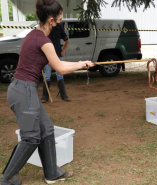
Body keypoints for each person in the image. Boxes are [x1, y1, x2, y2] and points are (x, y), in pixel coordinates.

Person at [0, 0, 94, 184]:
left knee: (47, 129)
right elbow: (61, 69)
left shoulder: (34, 35)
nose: (60, 23)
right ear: (51, 20)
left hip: (24, 89)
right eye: (59, 20)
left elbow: (57, 63)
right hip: (23, 91)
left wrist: (82, 63)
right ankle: (6, 178)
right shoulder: (44, 41)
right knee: (31, 137)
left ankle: (52, 173)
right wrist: (81, 65)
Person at [41, 22, 70, 102]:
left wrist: (63, 50)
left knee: (60, 74)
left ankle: (63, 95)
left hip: (57, 54)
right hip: (47, 55)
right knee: (47, 75)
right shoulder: (43, 26)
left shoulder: (59, 26)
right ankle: (45, 96)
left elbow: (66, 40)